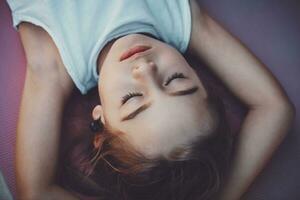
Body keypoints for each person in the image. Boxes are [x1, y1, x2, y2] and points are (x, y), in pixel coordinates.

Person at [6, 0, 295, 199]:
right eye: (176, 80)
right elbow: (275, 108)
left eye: (132, 99)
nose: (145, 68)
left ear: (100, 118)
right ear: (199, 77)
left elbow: (37, 192)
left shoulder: (54, 60)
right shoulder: (180, 21)